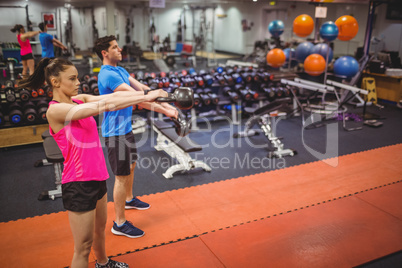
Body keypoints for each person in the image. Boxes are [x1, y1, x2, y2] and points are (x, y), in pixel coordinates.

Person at [18, 57, 171, 268]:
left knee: (100, 231)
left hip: (98, 176)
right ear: (55, 82)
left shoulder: (78, 99)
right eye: (72, 79)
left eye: (77, 77)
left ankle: (103, 263)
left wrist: (148, 95)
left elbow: (114, 97)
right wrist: (150, 94)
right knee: (82, 247)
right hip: (78, 183)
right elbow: (106, 104)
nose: (78, 82)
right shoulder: (55, 110)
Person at [94, 35, 178, 238]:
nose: (120, 48)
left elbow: (144, 89)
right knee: (121, 176)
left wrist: (169, 104)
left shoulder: (120, 70)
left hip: (125, 129)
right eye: (115, 47)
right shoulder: (108, 75)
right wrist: (167, 111)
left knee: (131, 165)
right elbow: (140, 98)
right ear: (104, 53)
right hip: (115, 133)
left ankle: (129, 199)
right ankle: (119, 223)